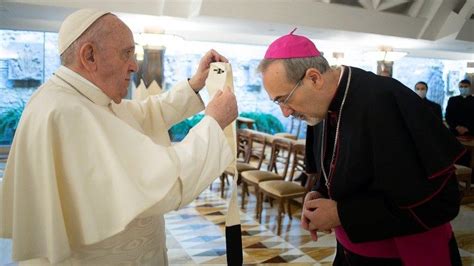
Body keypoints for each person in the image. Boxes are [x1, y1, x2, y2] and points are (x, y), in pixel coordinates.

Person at [0, 9, 238, 265]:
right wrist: (213, 123)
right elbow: (164, 183)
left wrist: (195, 84)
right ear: (89, 56)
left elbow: (147, 113)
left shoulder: (80, 98)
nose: (135, 66)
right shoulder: (66, 110)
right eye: (126, 53)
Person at [257, 30, 464, 265]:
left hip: (402, 256)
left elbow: (441, 202)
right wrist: (320, 194)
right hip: (350, 252)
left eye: (284, 99)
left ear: (314, 78)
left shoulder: (383, 101)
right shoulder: (319, 108)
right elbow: (337, 169)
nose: (286, 112)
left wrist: (340, 214)